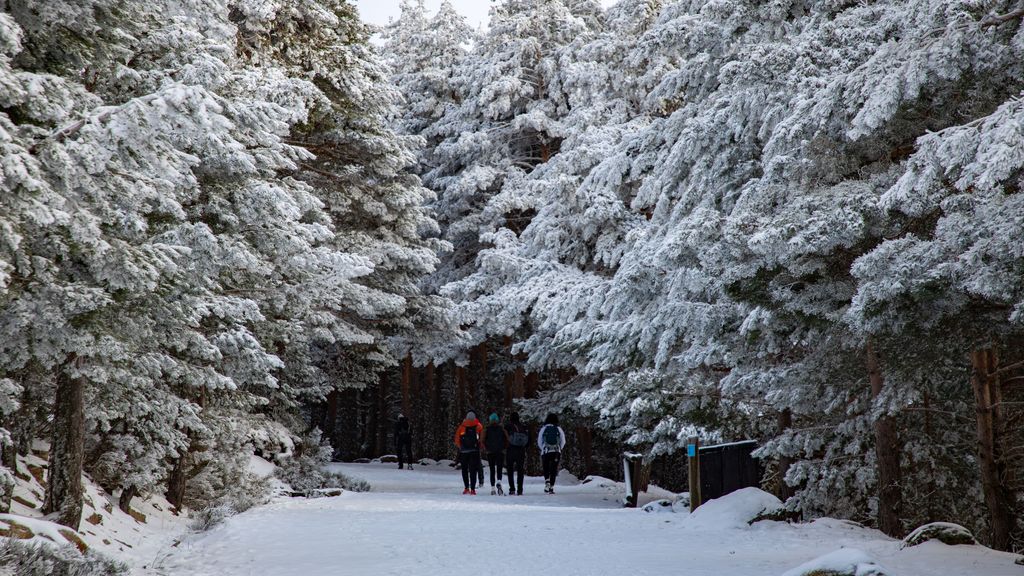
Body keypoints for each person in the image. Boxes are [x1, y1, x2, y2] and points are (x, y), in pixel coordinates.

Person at [454, 411, 484, 494]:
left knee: (464, 470)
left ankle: (466, 487)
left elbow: (457, 439)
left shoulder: (462, 426)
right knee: (473, 470)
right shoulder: (478, 426)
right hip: (474, 451)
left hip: (464, 452)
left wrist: (461, 447)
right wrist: (479, 446)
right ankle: (473, 489)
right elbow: (482, 438)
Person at [537, 413, 566, 494]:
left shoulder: (544, 428)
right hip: (556, 452)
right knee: (553, 469)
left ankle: (547, 481)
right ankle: (551, 487)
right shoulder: (558, 429)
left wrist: (542, 448)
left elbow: (539, 441)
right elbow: (563, 441)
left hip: (545, 451)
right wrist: (559, 448)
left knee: (546, 467)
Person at [482, 413, 509, 495]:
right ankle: (499, 481)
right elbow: (507, 439)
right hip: (500, 451)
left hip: (490, 452)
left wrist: (485, 448)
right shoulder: (502, 429)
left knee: (492, 470)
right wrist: (504, 448)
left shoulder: (486, 429)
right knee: (499, 468)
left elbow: (482, 440)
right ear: (497, 420)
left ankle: (493, 488)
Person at [504, 412, 529, 495]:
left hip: (510, 450)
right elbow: (528, 440)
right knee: (520, 470)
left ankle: (512, 489)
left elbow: (504, 437)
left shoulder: (507, 426)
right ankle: (520, 489)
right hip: (521, 450)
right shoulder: (523, 427)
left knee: (510, 470)